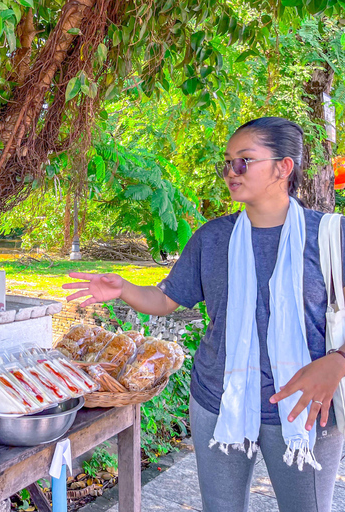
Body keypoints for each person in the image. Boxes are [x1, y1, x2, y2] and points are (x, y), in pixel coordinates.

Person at [63, 117, 345, 512]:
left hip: (307, 405)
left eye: (244, 161)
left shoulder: (331, 235)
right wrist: (123, 288)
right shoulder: (213, 238)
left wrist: (338, 362)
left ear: (284, 167)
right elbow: (165, 300)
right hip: (219, 400)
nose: (231, 172)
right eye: (227, 163)